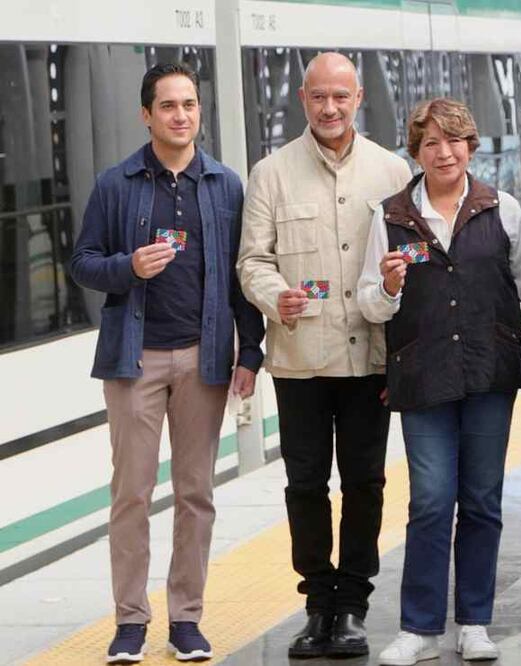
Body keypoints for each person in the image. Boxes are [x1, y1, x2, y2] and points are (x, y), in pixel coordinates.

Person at [69, 62, 264, 664]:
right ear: (146, 114)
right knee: (131, 494)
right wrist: (128, 267)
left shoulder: (226, 185)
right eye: (169, 106)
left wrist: (251, 350)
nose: (181, 115)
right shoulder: (116, 183)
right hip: (134, 361)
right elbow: (82, 262)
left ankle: (186, 620)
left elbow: (241, 278)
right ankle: (130, 621)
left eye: (190, 105)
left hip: (205, 360)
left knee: (196, 494)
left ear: (199, 112)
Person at [237, 52, 412, 659]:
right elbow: (252, 260)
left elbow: (408, 270)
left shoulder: (392, 172)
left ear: (358, 98)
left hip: (369, 360)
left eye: (341, 96)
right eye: (319, 97)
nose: (330, 108)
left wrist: (402, 359)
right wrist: (273, 296)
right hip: (299, 360)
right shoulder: (271, 174)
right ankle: (317, 605)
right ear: (303, 100)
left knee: (365, 482)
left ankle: (353, 606)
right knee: (305, 484)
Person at [357, 97, 521, 666]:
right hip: (422, 377)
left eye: (454, 140)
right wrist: (388, 287)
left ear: (470, 147)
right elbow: (369, 303)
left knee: (482, 500)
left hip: (489, 373)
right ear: (416, 152)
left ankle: (475, 623)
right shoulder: (388, 217)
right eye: (431, 142)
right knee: (431, 501)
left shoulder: (502, 208)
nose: (444, 152)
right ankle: (420, 628)